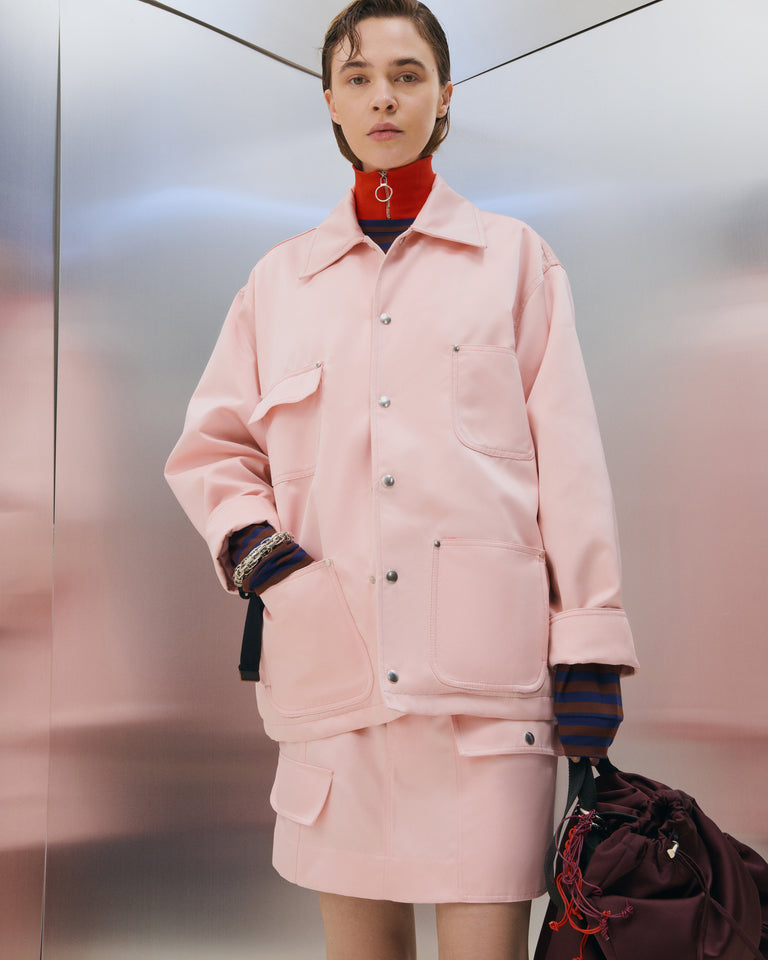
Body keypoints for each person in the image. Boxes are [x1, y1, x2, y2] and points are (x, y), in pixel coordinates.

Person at [165, 1, 639, 957]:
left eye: (407, 74)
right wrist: (265, 557)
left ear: (445, 95)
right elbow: (212, 450)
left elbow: (570, 464)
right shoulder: (278, 284)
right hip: (332, 682)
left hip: (488, 694)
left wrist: (588, 642)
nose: (383, 96)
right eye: (359, 77)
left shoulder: (516, 262)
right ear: (331, 103)